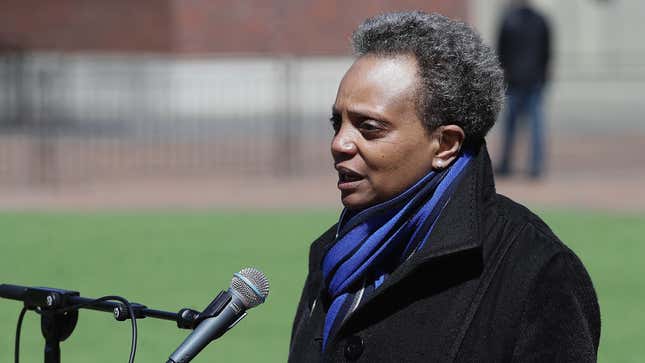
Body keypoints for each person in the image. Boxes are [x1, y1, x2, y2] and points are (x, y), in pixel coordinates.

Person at [289, 11, 599, 362]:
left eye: (369, 127)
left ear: (445, 144)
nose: (340, 143)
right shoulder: (335, 254)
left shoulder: (535, 270)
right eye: (337, 122)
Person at [496, 0, 551, 178]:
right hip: (531, 79)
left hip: (515, 80)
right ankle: (535, 165)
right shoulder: (540, 20)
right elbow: (547, 52)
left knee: (512, 126)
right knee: (534, 126)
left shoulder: (509, 20)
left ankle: (507, 163)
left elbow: (500, 52)